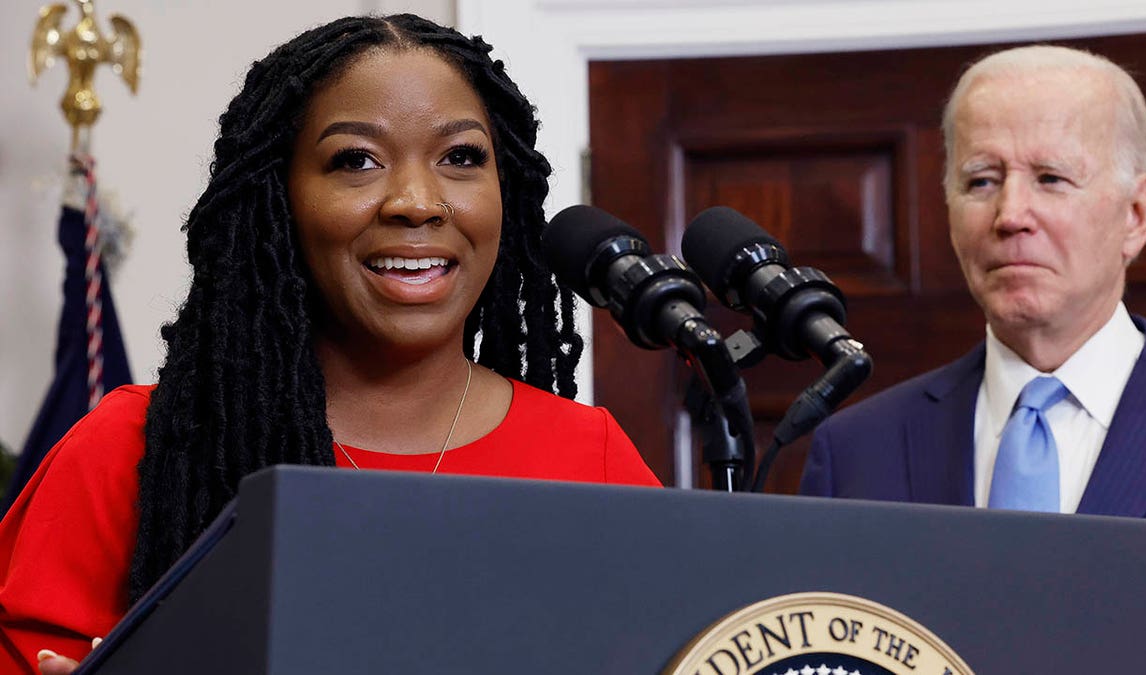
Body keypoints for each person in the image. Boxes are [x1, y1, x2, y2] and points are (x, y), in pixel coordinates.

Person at [0, 14, 660, 673]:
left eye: (460, 157)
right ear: (278, 199)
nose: (416, 201)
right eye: (356, 160)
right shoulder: (131, 449)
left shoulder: (590, 460)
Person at [800, 45, 1146, 521]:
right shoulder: (857, 451)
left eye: (1050, 178)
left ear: (1136, 215)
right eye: (982, 182)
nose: (1010, 216)